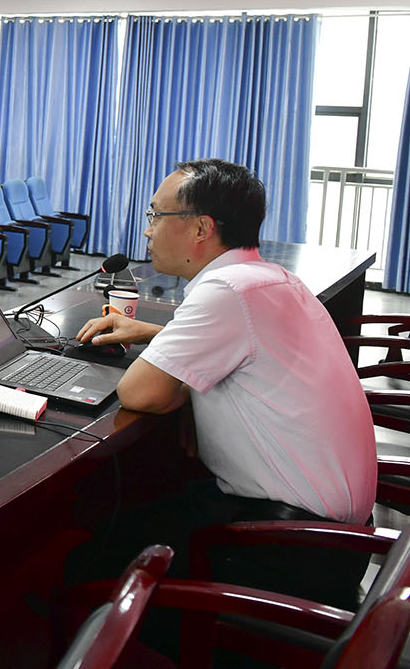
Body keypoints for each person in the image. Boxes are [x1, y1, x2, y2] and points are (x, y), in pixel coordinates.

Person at [70, 159, 377, 610]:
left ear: (201, 228)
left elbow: (143, 393)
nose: (147, 231)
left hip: (286, 551)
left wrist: (175, 373)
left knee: (95, 549)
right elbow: (250, 356)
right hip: (340, 540)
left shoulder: (225, 291)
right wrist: (154, 335)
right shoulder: (272, 279)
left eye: (156, 216)